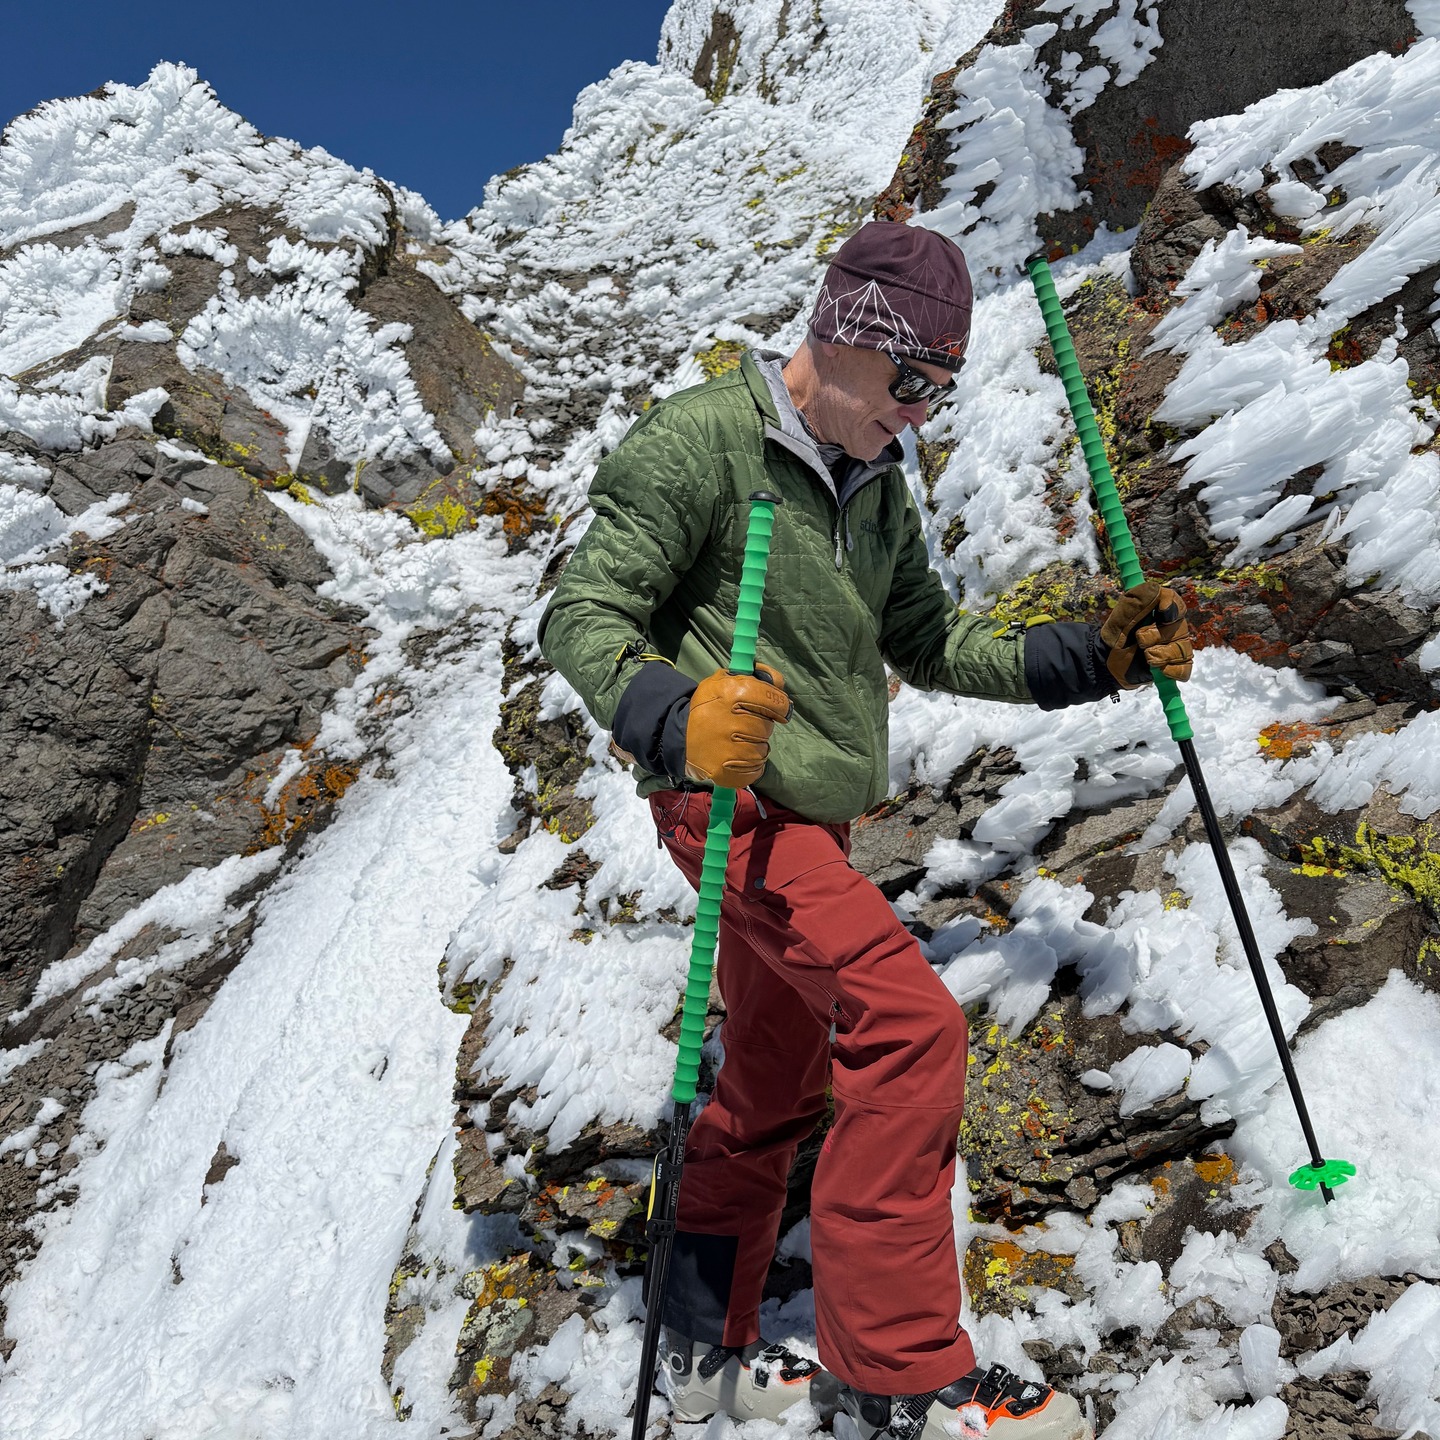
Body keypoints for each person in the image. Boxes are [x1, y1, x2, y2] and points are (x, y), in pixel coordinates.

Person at [538, 222, 1192, 1440]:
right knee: (909, 1025)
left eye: (943, 390)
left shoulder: (875, 482)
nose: (923, 412)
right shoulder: (700, 444)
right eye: (913, 384)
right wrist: (674, 715)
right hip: (728, 806)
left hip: (812, 823)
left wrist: (1088, 657)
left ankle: (700, 1347)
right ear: (845, 337)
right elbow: (582, 611)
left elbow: (932, 643)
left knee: (775, 1079)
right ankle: (902, 1376)